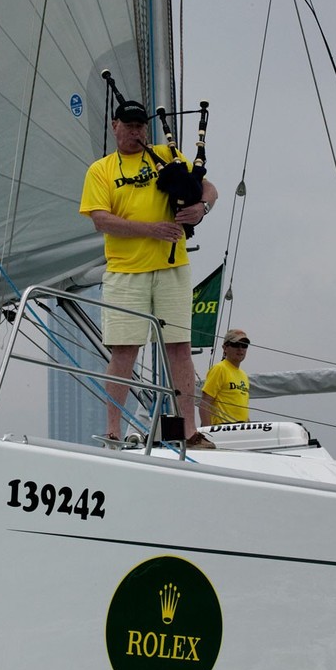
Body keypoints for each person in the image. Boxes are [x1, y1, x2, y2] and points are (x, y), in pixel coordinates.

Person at [79, 98, 218, 448]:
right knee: (124, 351)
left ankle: (188, 431)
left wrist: (202, 208)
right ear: (115, 127)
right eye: (128, 125)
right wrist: (151, 230)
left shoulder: (166, 156)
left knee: (180, 349)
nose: (135, 131)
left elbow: (208, 188)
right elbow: (100, 219)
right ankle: (112, 430)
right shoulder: (101, 170)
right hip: (126, 272)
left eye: (140, 126)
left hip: (172, 268)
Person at [199, 329, 250, 426]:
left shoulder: (244, 375)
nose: (240, 348)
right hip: (223, 429)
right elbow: (205, 403)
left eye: (244, 345)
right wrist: (207, 434)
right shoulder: (219, 369)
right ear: (225, 348)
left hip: (241, 430)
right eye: (236, 344)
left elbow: (243, 409)